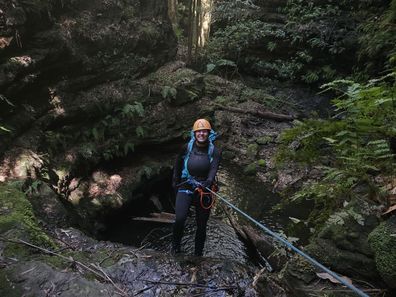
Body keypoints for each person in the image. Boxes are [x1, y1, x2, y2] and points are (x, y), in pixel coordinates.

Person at [171, 118, 221, 256]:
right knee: (180, 219)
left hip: (204, 188)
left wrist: (209, 181)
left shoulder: (215, 151)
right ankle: (175, 248)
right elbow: (178, 162)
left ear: (208, 133)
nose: (201, 134)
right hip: (186, 183)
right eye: (198, 131)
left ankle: (198, 254)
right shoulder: (186, 147)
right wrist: (175, 179)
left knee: (202, 225)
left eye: (204, 131)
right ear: (194, 133)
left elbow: (214, 168)